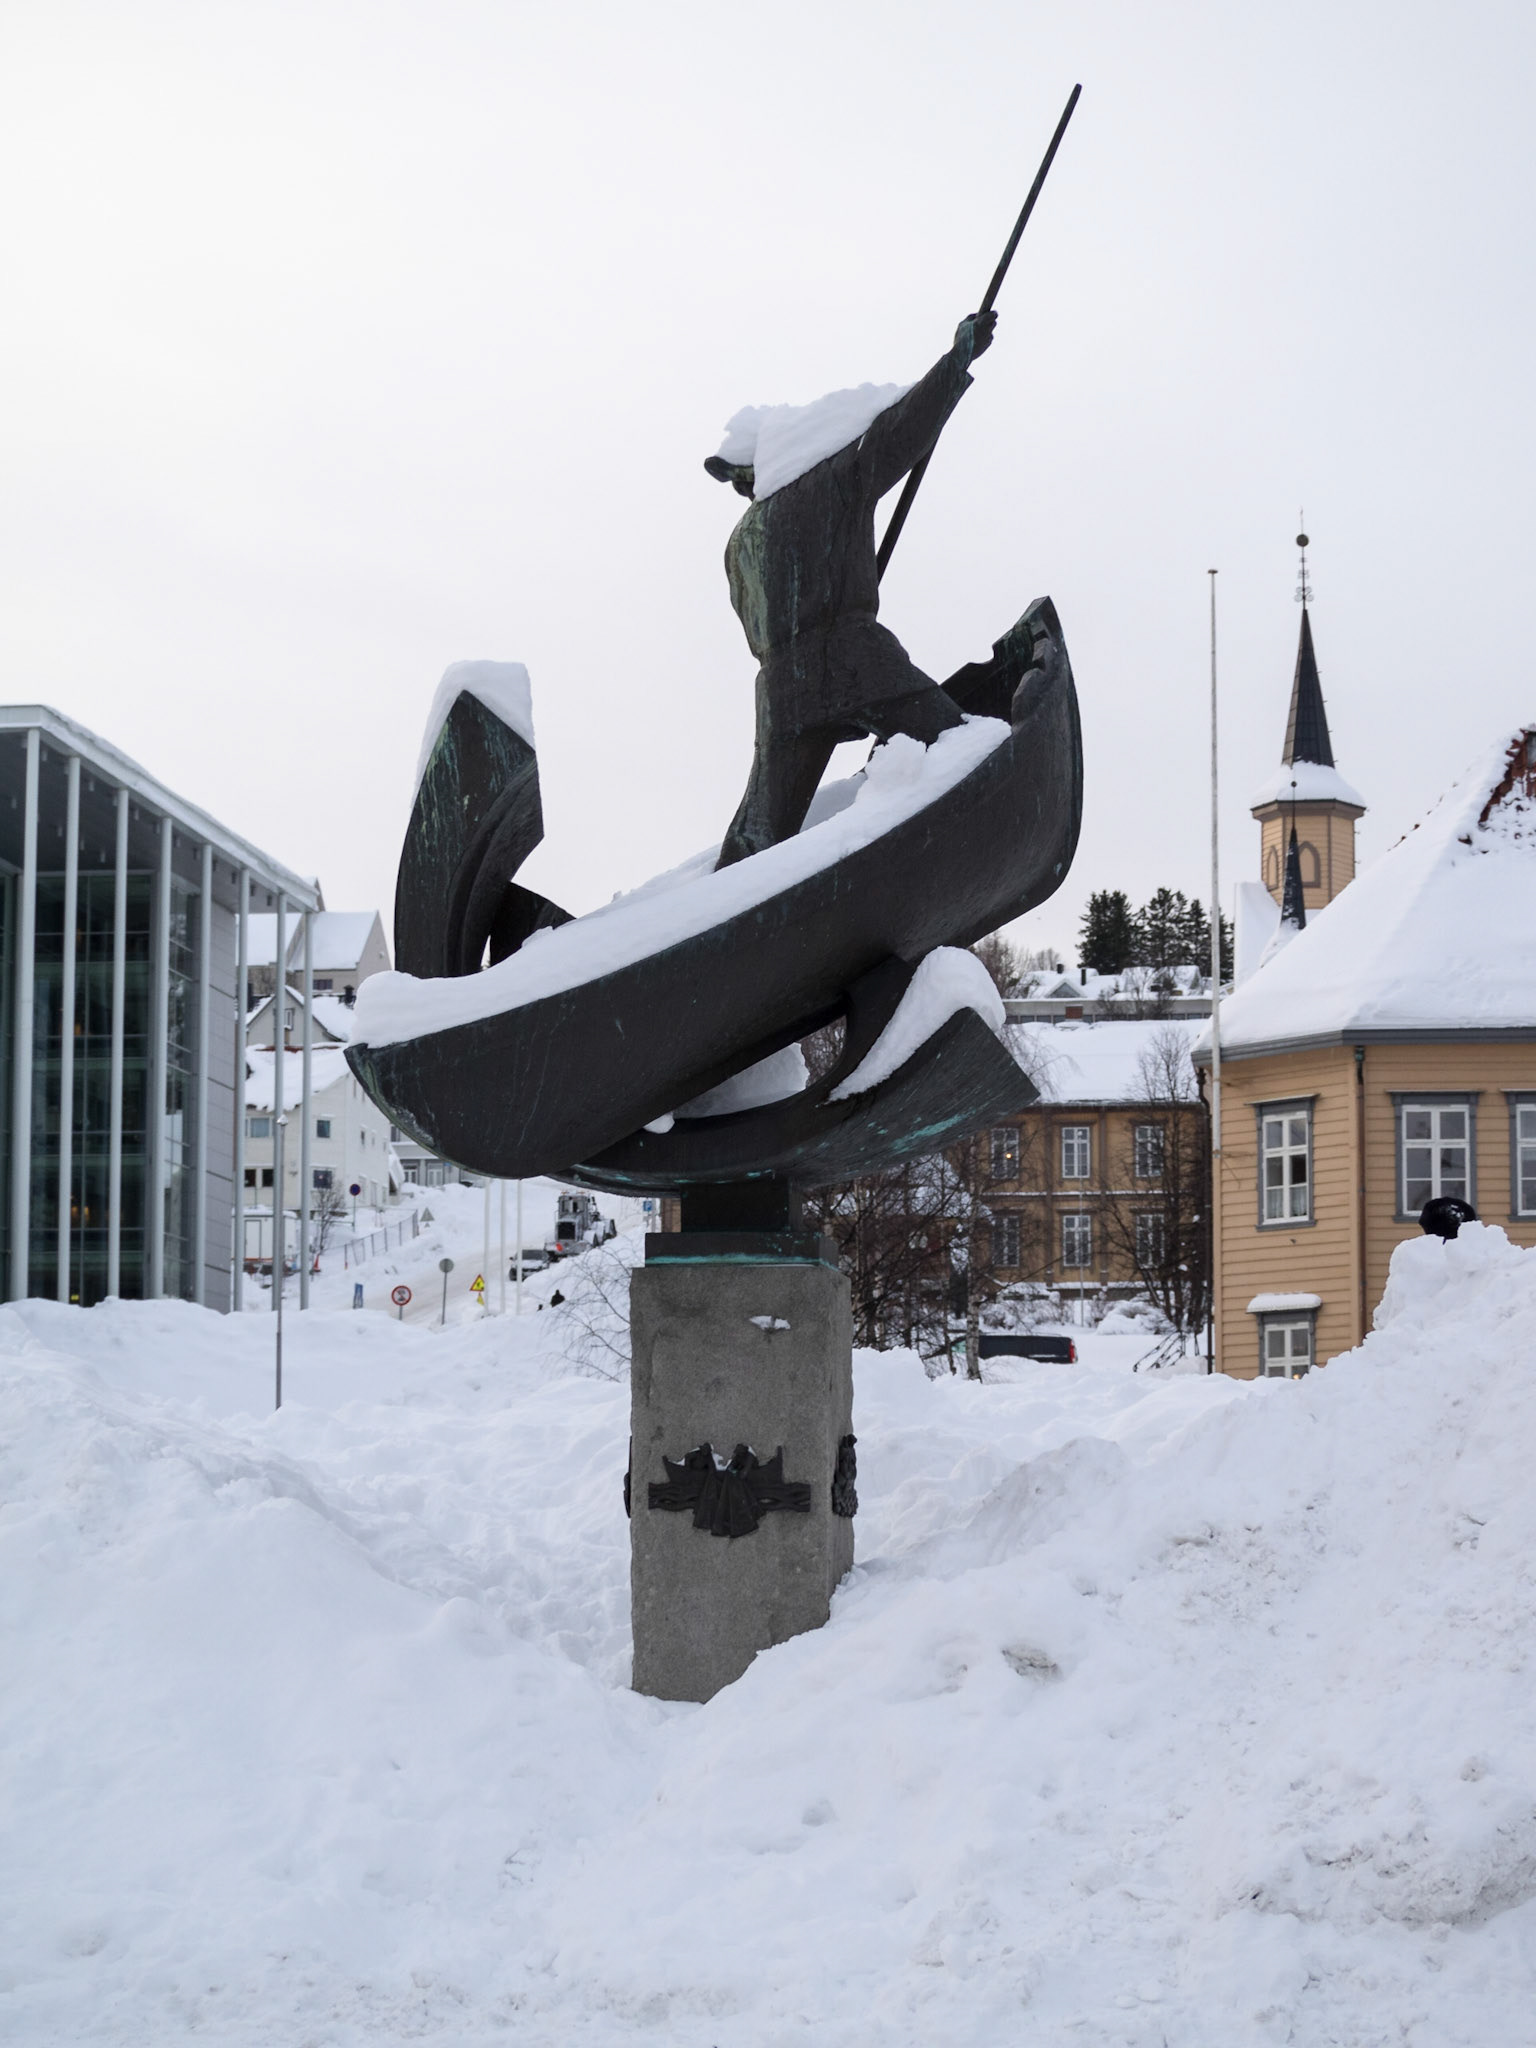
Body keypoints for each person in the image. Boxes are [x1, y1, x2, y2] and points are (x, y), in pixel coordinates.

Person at [706, 313, 997, 868]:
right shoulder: (826, 481)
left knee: (758, 834)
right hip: (851, 654)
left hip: (780, 689)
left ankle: (709, 915)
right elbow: (902, 433)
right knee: (960, 748)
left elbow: (756, 625)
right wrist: (956, 360)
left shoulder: (737, 545)